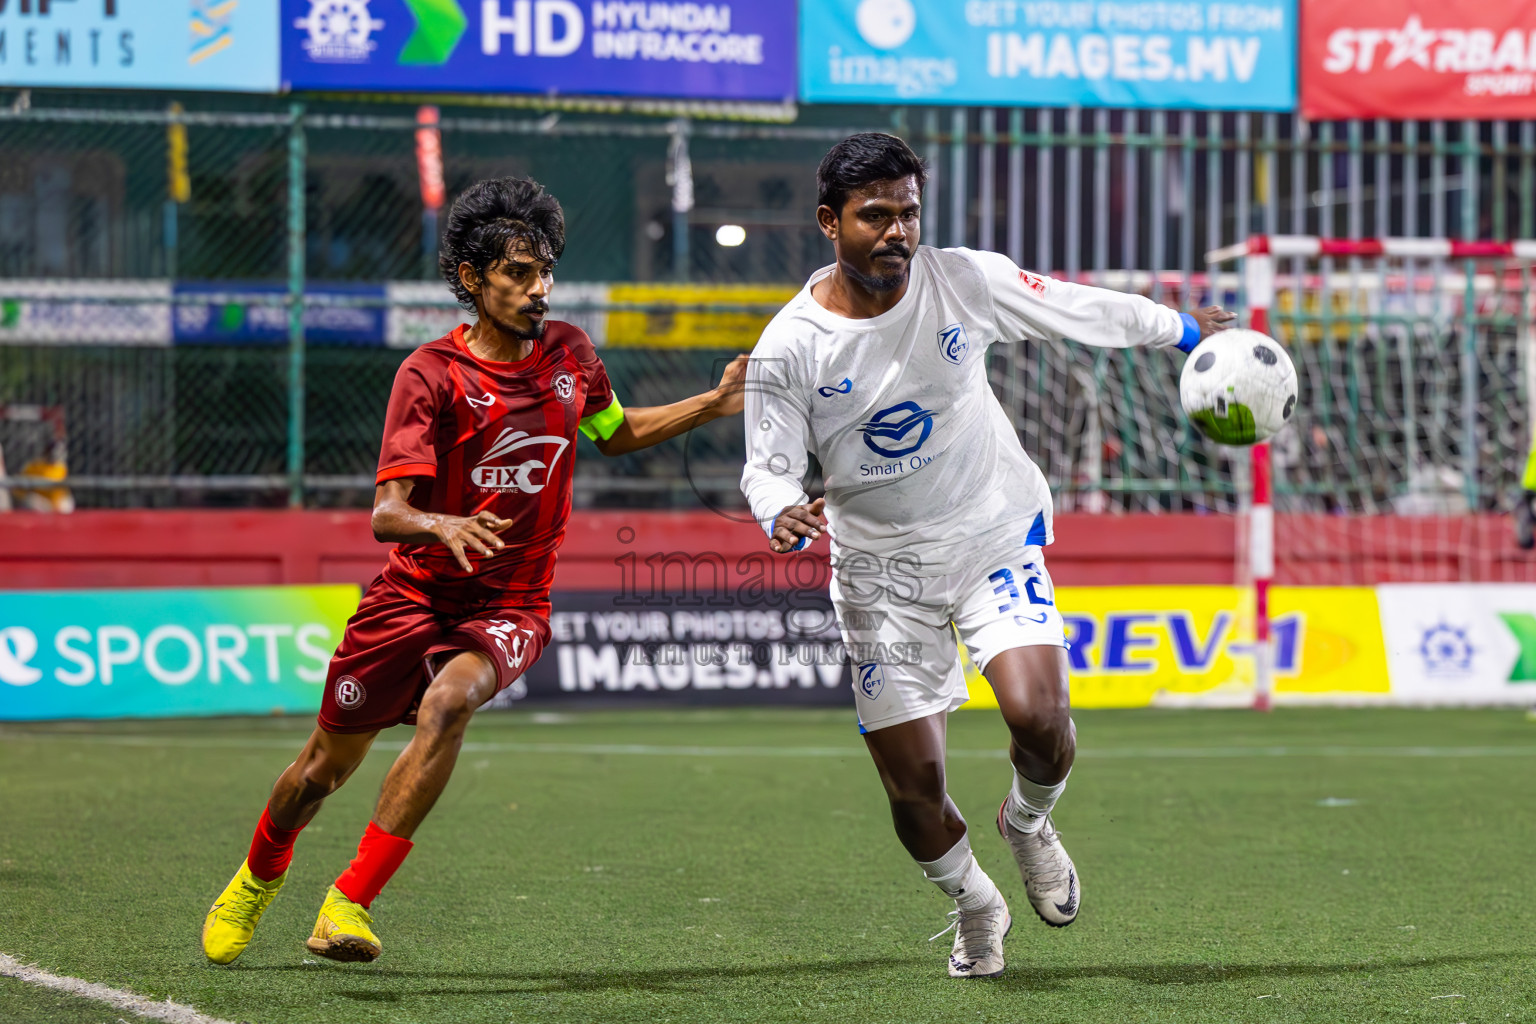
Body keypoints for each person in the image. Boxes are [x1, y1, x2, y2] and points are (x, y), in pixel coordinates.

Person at [202, 176, 747, 965]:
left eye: (545, 272)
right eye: (518, 275)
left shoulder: (570, 355)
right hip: (413, 593)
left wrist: (711, 403)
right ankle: (256, 879)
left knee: (452, 702)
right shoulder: (430, 375)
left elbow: (615, 430)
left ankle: (347, 902)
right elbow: (387, 513)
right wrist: (439, 522)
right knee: (321, 770)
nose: (539, 290)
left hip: (513, 600)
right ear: (472, 280)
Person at [740, 133, 1233, 979]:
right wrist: (780, 508)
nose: (898, 232)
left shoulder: (960, 280)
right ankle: (975, 902)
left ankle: (1029, 824)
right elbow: (768, 463)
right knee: (914, 794)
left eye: (909, 213)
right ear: (830, 222)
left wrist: (1182, 330)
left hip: (988, 532)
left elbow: (1074, 306)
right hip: (879, 575)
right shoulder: (791, 345)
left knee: (1041, 720)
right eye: (876, 216)